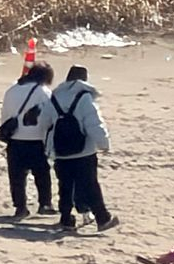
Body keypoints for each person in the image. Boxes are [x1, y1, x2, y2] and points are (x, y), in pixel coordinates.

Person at [40, 65, 118, 232]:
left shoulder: (54, 97)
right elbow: (94, 123)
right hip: (84, 151)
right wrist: (103, 144)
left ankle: (66, 219)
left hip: (61, 150)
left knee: (65, 186)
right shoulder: (84, 98)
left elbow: (44, 121)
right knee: (90, 185)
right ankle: (102, 218)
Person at [0, 62, 57, 219]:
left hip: (14, 138)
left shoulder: (11, 90)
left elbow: (4, 114)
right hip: (36, 138)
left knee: (16, 176)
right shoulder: (43, 91)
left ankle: (20, 207)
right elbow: (49, 116)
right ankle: (45, 203)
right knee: (42, 173)